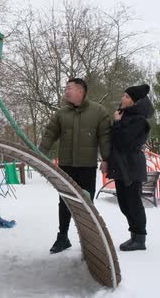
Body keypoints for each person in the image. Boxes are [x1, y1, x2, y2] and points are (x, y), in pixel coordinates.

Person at [39, 78, 111, 254]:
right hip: (66, 166)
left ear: (80, 91)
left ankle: (89, 240)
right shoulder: (61, 113)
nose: (66, 91)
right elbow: (50, 134)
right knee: (64, 202)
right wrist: (40, 153)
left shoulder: (98, 111)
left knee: (86, 204)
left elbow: (105, 137)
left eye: (69, 88)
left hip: (87, 167)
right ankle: (62, 237)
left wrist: (106, 159)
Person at [107, 84, 154, 251]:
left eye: (127, 97)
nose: (123, 98)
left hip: (132, 166)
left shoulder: (140, 120)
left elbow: (124, 142)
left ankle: (139, 238)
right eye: (124, 96)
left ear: (135, 102)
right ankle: (134, 234)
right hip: (122, 166)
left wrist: (117, 123)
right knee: (124, 204)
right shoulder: (125, 116)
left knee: (133, 204)